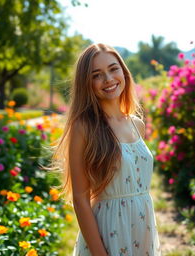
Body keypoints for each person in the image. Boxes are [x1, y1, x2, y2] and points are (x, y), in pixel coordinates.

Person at [52, 43, 161, 256]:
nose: (109, 79)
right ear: (87, 83)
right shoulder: (84, 128)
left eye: (113, 69)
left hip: (143, 229)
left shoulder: (136, 124)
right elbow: (80, 199)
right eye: (97, 75)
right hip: (109, 233)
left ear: (124, 72)